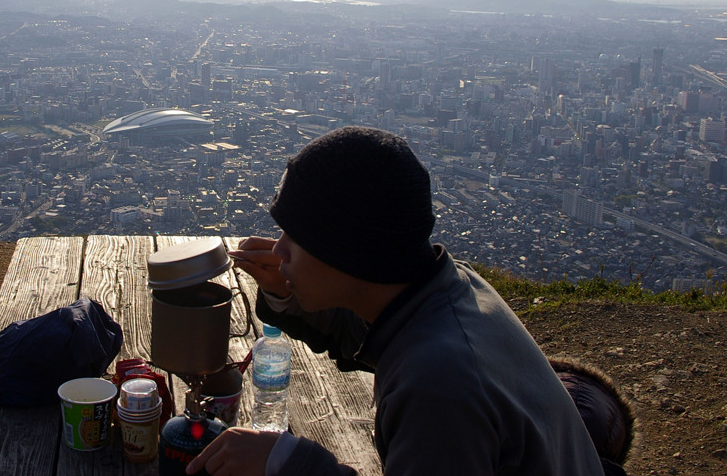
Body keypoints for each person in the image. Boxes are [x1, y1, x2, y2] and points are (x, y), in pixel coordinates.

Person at [186, 126, 607, 476]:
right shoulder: (446, 292)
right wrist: (283, 292)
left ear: (349, 252)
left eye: (296, 237)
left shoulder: (438, 383)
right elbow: (364, 333)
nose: (279, 251)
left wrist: (287, 461)